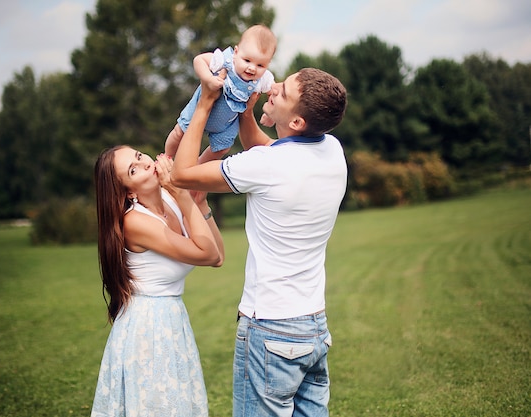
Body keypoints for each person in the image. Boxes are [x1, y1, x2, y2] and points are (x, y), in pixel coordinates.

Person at [170, 67, 348, 417]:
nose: (273, 88)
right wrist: (248, 111)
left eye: (282, 93)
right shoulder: (331, 148)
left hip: (270, 327)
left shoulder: (267, 165)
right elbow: (266, 150)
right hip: (313, 326)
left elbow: (181, 174)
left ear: (296, 122)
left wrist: (206, 103)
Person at [91, 146, 224, 417]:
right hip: (147, 327)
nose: (143, 164)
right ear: (128, 191)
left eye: (139, 156)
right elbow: (207, 253)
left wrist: (200, 204)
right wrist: (186, 198)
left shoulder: (171, 198)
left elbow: (218, 257)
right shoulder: (135, 223)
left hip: (171, 318)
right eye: (132, 170)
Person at [165, 24, 277, 164]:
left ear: (268, 64)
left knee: (222, 149)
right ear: (236, 52)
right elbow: (199, 60)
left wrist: (271, 115)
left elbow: (274, 93)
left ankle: (198, 166)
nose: (252, 68)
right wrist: (209, 79)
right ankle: (166, 157)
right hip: (199, 109)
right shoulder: (225, 60)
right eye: (247, 60)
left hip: (226, 123)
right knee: (179, 133)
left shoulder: (264, 78)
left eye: (260, 65)